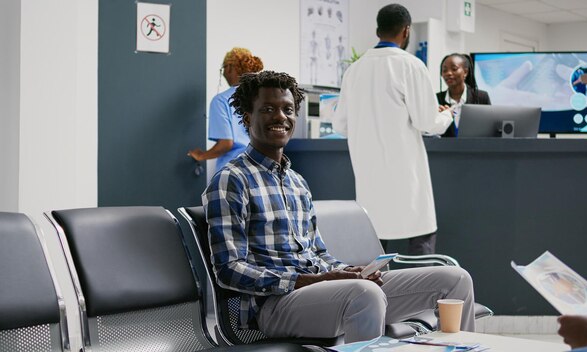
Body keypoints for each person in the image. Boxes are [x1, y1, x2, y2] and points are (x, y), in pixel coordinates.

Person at [202, 71, 475, 343]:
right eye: (269, 109)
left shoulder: (297, 182)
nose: (281, 117)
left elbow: (319, 253)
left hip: (324, 293)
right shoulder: (232, 180)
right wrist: (307, 281)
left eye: (288, 109)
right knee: (363, 294)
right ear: (248, 117)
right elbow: (229, 269)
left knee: (454, 280)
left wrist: (348, 272)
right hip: (273, 306)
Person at [332, 4, 453, 255]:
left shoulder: (354, 70)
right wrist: (448, 116)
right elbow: (426, 122)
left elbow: (339, 125)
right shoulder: (411, 65)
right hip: (407, 181)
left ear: (378, 30)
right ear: (406, 31)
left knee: (373, 256)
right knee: (420, 250)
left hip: (370, 183)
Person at [188, 48, 263, 171]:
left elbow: (226, 144)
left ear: (229, 68)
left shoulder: (222, 100)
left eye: (223, 69)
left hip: (234, 171)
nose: (223, 73)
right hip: (261, 168)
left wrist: (201, 155)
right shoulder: (262, 97)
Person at [437, 53, 491, 137]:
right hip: (443, 149)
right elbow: (431, 131)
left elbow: (489, 129)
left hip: (474, 149)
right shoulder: (437, 99)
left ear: (465, 72)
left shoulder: (481, 97)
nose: (448, 73)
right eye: (444, 70)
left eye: (454, 69)